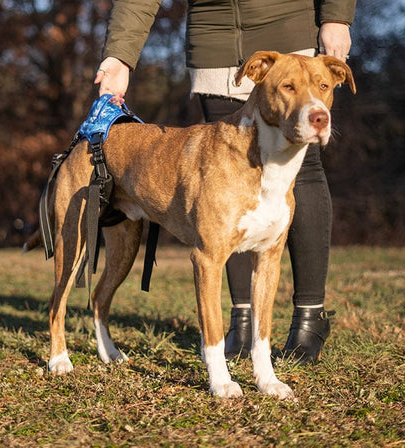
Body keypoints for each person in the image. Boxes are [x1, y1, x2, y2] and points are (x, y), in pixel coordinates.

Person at [95, 0, 356, 364]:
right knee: (221, 194)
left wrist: (337, 16)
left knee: (304, 168)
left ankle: (309, 318)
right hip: (215, 40)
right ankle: (241, 320)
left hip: (289, 24)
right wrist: (120, 56)